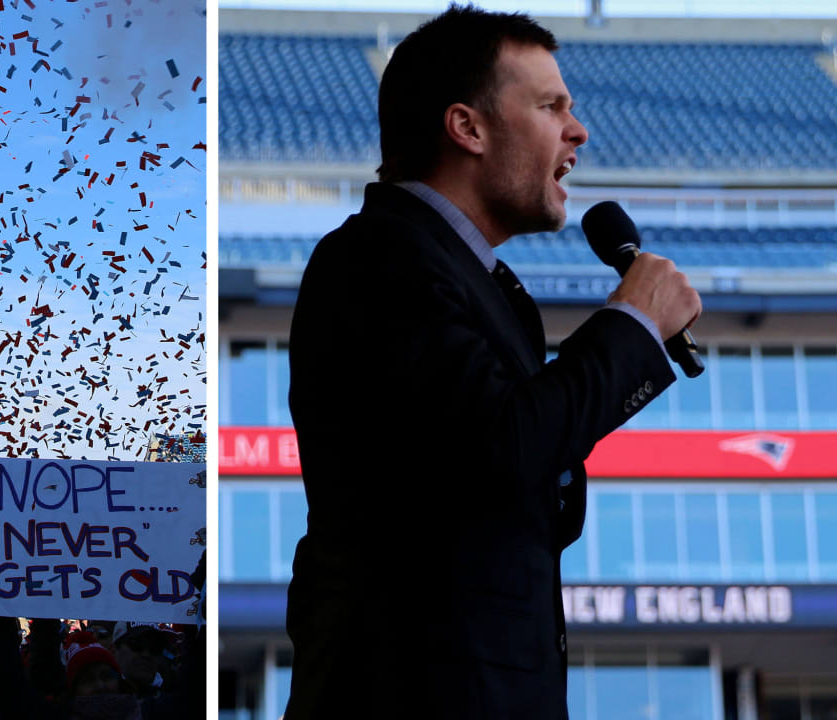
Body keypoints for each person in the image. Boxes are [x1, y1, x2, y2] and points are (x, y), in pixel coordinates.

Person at [283, 5, 700, 719]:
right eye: (550, 106)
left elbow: (517, 486)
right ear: (467, 127)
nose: (579, 130)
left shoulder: (483, 286)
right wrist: (630, 327)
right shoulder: (378, 256)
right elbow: (504, 448)